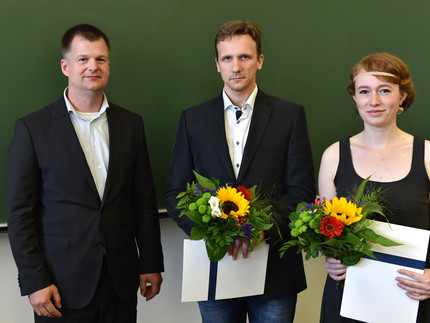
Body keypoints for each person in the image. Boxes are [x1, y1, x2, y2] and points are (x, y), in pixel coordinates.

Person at [7, 24, 164, 323]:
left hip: (120, 281)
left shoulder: (131, 124)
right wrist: (34, 280)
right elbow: (20, 214)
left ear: (108, 65)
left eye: (101, 59)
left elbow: (143, 200)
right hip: (60, 287)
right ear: (66, 66)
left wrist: (151, 262)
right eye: (83, 59)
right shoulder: (32, 129)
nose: (93, 66)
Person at [164, 20, 315, 323]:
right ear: (217, 64)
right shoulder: (192, 120)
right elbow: (174, 192)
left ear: (259, 61)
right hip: (213, 265)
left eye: (245, 57)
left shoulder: (290, 116)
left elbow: (302, 190)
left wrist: (259, 229)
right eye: (227, 58)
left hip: (275, 268)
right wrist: (213, 233)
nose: (236, 66)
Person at [318, 52, 430, 322]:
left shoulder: (427, 156)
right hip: (348, 299)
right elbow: (326, 229)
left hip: (414, 297)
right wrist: (330, 259)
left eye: (385, 90)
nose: (374, 101)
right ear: (355, 98)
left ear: (402, 96)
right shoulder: (333, 156)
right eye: (364, 91)